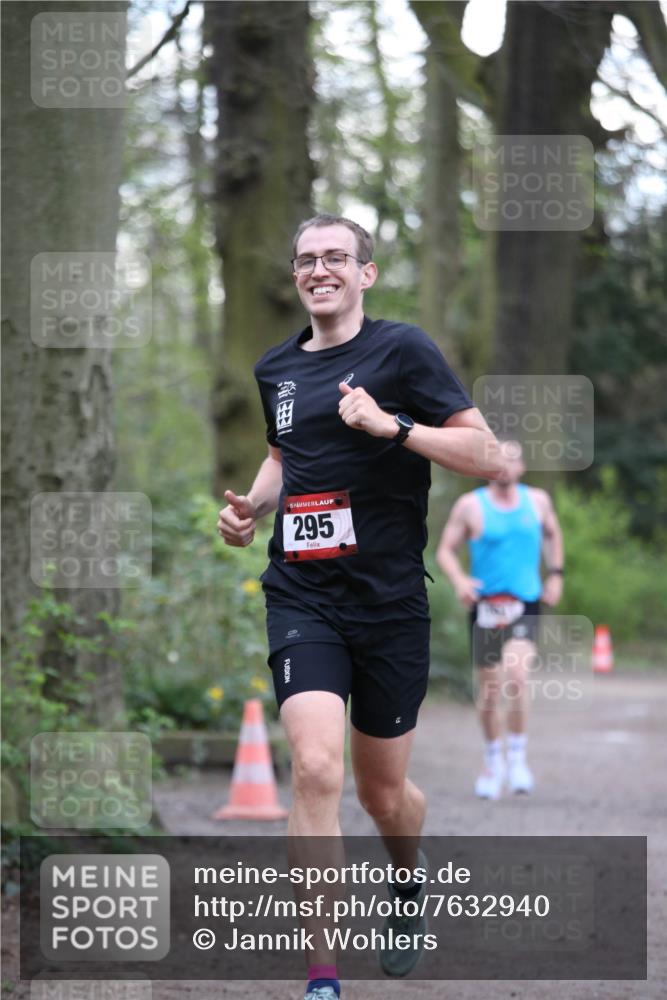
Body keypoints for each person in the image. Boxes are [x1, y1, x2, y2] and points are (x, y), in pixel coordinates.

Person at [217, 213, 504, 1000]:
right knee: (313, 767)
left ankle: (406, 883)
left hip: (388, 603)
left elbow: (487, 455)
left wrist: (394, 425)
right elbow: (285, 455)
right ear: (295, 274)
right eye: (306, 258)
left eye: (336, 257)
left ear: (364, 273)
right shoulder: (275, 367)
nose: (319, 269)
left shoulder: (401, 351)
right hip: (302, 594)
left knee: (383, 795)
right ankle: (321, 974)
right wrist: (252, 509)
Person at [436, 440, 564, 800]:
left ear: (522, 466)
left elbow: (553, 535)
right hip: (485, 607)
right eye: (498, 460)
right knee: (490, 693)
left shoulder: (538, 501)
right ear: (487, 467)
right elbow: (445, 549)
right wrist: (460, 580)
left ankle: (519, 757)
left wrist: (555, 573)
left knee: (518, 676)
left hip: (525, 602)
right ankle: (493, 760)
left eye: (512, 460)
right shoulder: (470, 506)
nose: (505, 467)